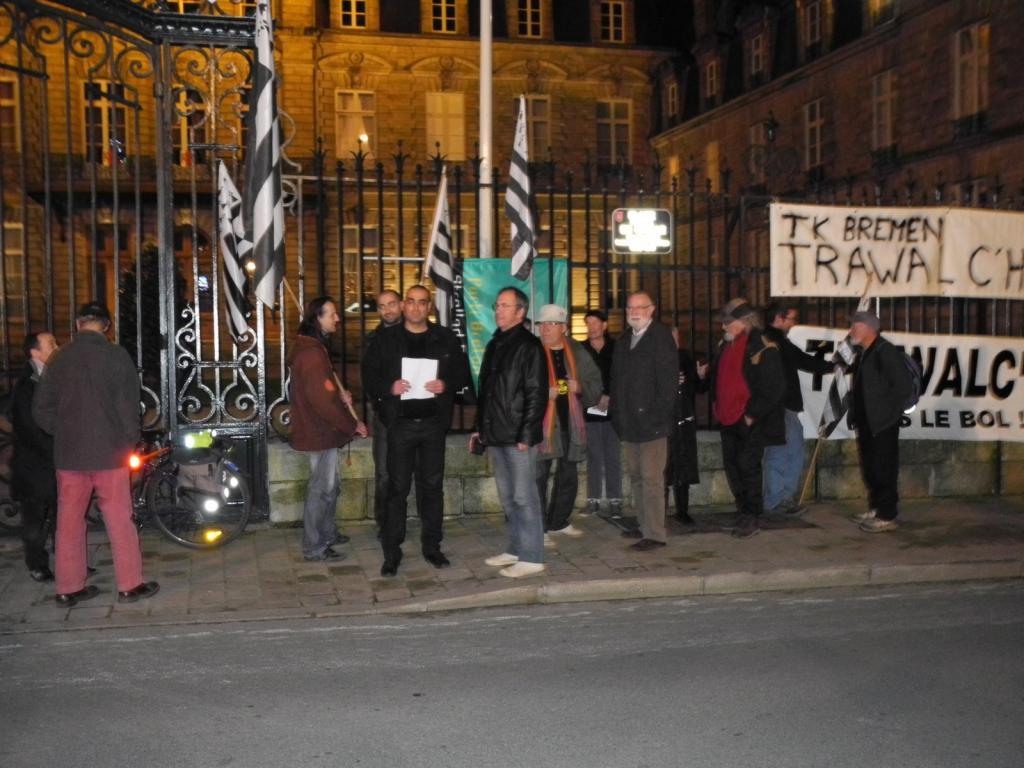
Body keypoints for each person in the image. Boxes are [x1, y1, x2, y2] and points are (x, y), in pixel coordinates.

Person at [33, 302, 159, 606]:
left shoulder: (60, 358)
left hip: (70, 455)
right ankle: (130, 584)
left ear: (78, 324)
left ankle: (68, 586)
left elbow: (40, 409)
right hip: (109, 453)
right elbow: (130, 406)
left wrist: (62, 431)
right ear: (106, 325)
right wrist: (127, 442)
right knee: (118, 519)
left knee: (69, 521)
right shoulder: (116, 355)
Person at [361, 285, 471, 576]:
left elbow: (462, 372)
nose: (416, 307)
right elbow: (369, 377)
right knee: (396, 489)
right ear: (404, 305)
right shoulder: (385, 339)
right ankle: (391, 551)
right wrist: (389, 388)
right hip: (400, 426)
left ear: (429, 307)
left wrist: (445, 384)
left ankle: (432, 546)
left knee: (432, 487)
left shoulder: (444, 338)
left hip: (434, 425)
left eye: (423, 303)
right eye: (411, 302)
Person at [472, 286, 547, 578]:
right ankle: (516, 548)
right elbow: (487, 392)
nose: (498, 310)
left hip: (518, 437)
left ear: (520, 311)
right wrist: (479, 429)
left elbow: (536, 393)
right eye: (497, 305)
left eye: (505, 305)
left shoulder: (529, 346)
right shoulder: (496, 343)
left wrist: (526, 435)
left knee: (524, 495)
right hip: (497, 433)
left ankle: (532, 556)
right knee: (507, 496)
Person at [288, 296, 367, 562]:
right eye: (332, 314)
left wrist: (338, 394)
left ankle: (328, 532)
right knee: (321, 489)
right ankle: (314, 546)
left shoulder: (314, 347)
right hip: (319, 432)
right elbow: (320, 399)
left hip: (323, 431)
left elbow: (325, 388)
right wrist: (351, 424)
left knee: (330, 487)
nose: (337, 318)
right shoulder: (311, 353)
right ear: (317, 318)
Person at [704, 298, 786, 539]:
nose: (724, 327)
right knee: (733, 467)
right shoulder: (726, 345)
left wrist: (752, 413)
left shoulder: (761, 346)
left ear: (743, 322)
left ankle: (753, 516)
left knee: (748, 467)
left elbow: (774, 386)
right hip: (727, 417)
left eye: (728, 322)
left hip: (748, 419)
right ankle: (743, 512)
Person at [610, 291, 678, 551]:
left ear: (652, 310)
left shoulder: (660, 338)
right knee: (637, 477)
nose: (634, 312)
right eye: (629, 308)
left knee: (651, 479)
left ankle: (656, 534)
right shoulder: (625, 339)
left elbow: (668, 383)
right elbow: (617, 381)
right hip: (629, 423)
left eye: (640, 307)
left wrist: (657, 417)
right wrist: (617, 414)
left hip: (651, 424)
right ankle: (643, 524)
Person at [534, 304, 602, 539]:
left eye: (551, 324)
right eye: (542, 324)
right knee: (538, 477)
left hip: (569, 424)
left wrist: (580, 387)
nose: (545, 329)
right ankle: (538, 527)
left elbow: (595, 382)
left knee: (568, 476)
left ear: (563, 327)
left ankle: (559, 521)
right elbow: (519, 388)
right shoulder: (532, 351)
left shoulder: (577, 351)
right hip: (541, 426)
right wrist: (542, 394)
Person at [762, 302, 832, 516]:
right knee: (781, 454)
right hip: (779, 407)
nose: (794, 323)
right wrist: (832, 366)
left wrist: (832, 366)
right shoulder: (772, 341)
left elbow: (802, 360)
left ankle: (783, 498)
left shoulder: (777, 340)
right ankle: (776, 500)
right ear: (779, 318)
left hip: (785, 407)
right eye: (791, 318)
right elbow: (803, 361)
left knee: (792, 453)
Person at [846, 310, 914, 533]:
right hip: (868, 423)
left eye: (855, 326)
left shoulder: (885, 352)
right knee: (871, 466)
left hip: (882, 423)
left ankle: (887, 514)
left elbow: (903, 387)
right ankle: (876, 507)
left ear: (867, 328)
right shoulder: (867, 352)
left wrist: (888, 414)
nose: (851, 330)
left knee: (884, 467)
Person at [10, 331, 59, 582]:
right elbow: (29, 426)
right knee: (35, 520)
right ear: (35, 352)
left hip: (53, 461)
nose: (56, 346)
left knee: (63, 515)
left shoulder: (50, 376)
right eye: (51, 344)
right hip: (34, 465)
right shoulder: (27, 384)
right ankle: (37, 564)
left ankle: (68, 563)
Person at [366, 289, 403, 536]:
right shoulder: (372, 339)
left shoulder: (415, 334)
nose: (387, 310)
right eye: (382, 306)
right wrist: (387, 391)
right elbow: (368, 379)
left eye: (391, 304)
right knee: (384, 473)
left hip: (414, 414)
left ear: (400, 305)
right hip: (385, 416)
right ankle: (385, 522)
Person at [581, 309, 623, 517]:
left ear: (604, 325)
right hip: (590, 410)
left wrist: (610, 396)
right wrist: (592, 398)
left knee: (613, 457)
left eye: (595, 323)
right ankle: (593, 500)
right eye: (588, 323)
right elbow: (577, 379)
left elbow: (623, 377)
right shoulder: (581, 349)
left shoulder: (617, 348)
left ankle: (615, 500)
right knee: (594, 456)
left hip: (613, 411)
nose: (592, 327)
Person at [666, 329, 707, 528]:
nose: (674, 342)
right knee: (664, 467)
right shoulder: (656, 358)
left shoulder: (685, 358)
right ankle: (660, 512)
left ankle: (683, 511)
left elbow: (698, 389)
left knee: (684, 466)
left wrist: (699, 377)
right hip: (665, 421)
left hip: (685, 419)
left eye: (676, 338)